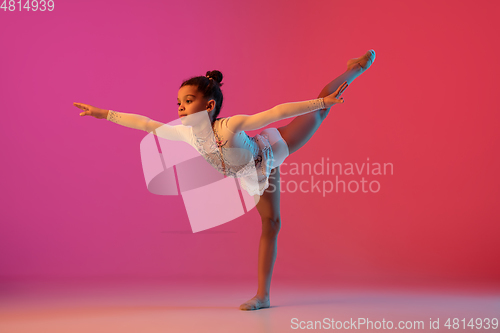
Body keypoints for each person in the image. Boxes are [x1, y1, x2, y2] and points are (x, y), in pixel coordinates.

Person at [74, 49, 376, 311]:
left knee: (321, 112)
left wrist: (319, 103)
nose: (179, 107)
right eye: (178, 101)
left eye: (188, 100)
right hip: (249, 176)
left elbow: (276, 112)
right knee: (271, 224)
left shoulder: (229, 127)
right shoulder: (185, 134)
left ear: (208, 107)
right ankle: (264, 298)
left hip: (270, 150)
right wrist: (105, 114)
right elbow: (145, 124)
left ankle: (355, 68)